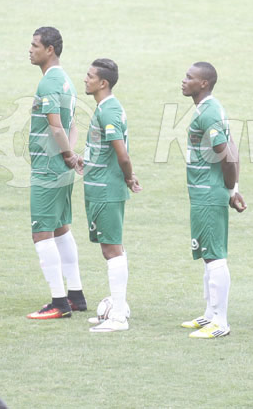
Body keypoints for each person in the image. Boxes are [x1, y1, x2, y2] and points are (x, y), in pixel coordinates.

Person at [180, 62, 246, 339]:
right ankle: (210, 314)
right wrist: (233, 189)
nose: (183, 81)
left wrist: (230, 189)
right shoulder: (211, 109)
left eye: (189, 77)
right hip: (206, 191)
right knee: (208, 256)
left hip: (208, 193)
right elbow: (233, 149)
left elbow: (228, 156)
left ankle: (220, 321)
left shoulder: (208, 113)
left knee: (215, 256)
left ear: (203, 83)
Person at [76, 59, 142, 332]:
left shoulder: (110, 111)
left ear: (103, 83)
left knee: (112, 249)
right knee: (109, 248)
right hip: (98, 186)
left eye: (89, 76)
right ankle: (117, 306)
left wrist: (128, 177)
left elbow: (121, 153)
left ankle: (118, 317)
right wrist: (86, 160)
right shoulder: (104, 109)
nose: (85, 79)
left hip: (107, 190)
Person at [26, 27, 86, 319]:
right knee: (62, 228)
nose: (30, 49)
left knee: (42, 233)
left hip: (47, 168)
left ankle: (58, 302)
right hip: (61, 168)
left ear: (50, 49)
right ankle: (75, 295)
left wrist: (67, 154)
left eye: (35, 45)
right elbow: (72, 124)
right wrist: (71, 156)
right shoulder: (67, 82)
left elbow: (56, 125)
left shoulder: (48, 84)